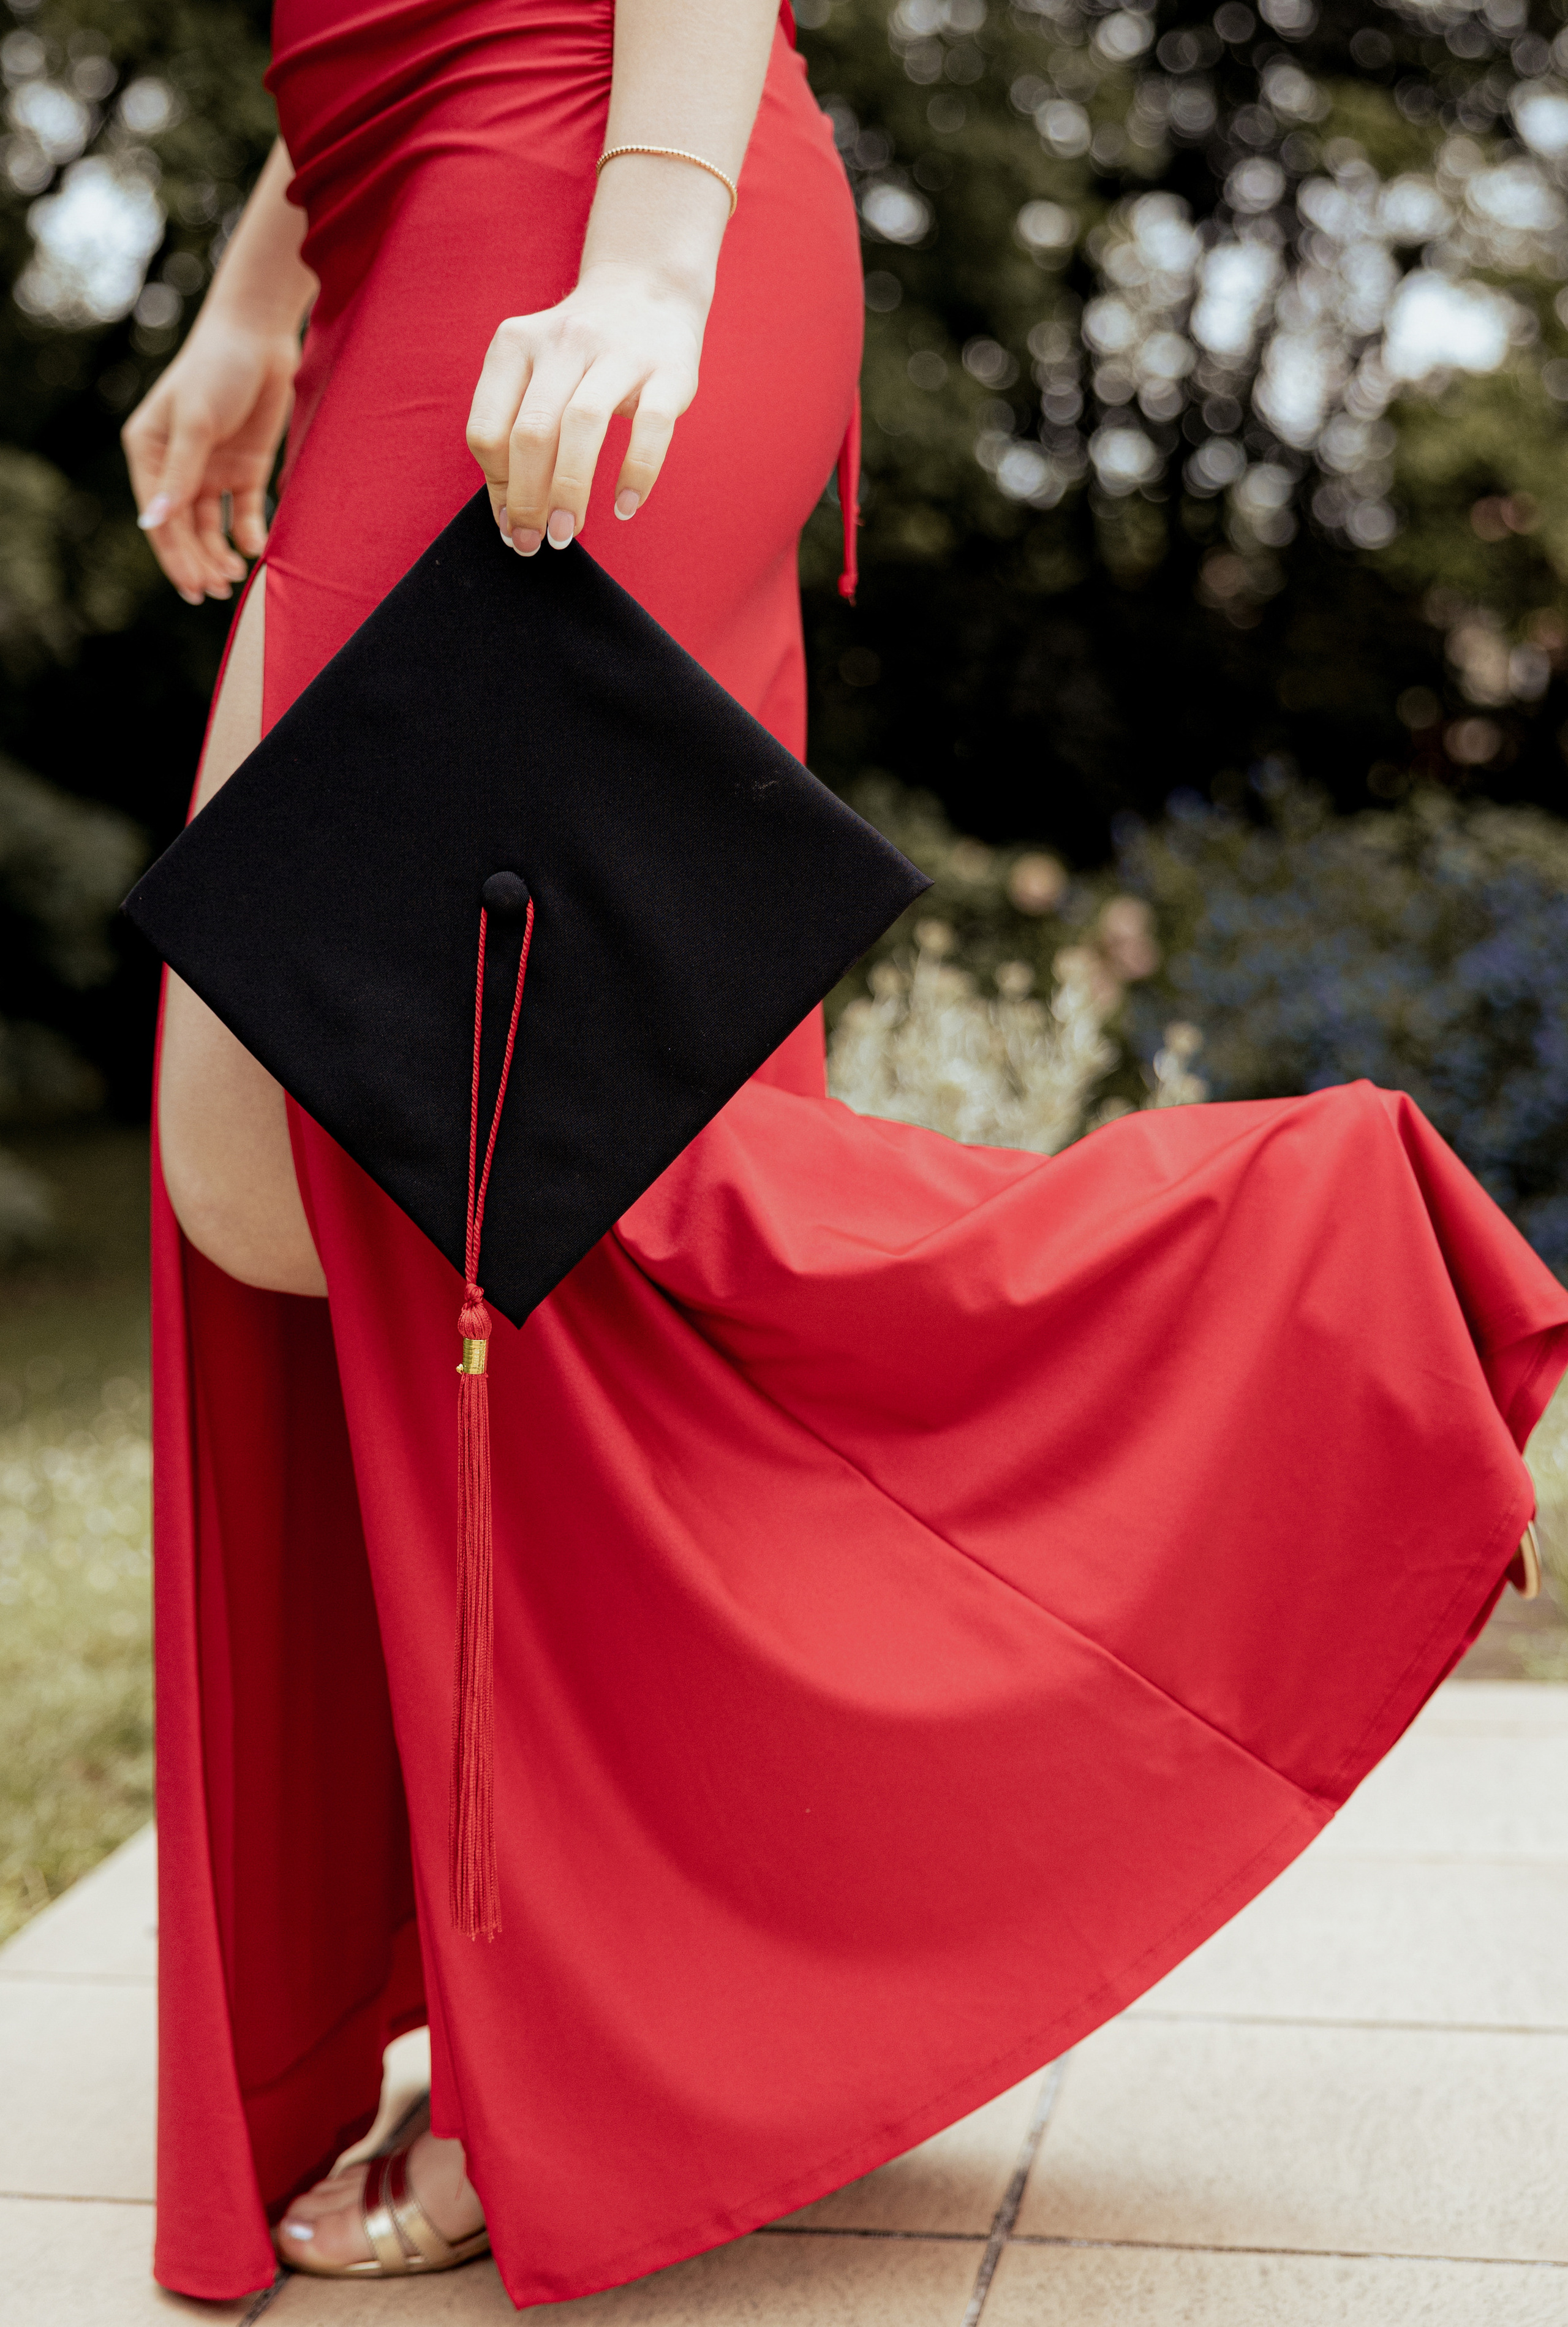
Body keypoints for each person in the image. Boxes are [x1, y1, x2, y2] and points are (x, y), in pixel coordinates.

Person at [121, 0, 1568, 2305]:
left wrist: (651, 250)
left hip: (582, 191)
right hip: (415, 217)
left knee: (486, 1142)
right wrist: (255, 296)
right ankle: (596, 1980)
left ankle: (1315, 1266)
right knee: (349, 1146)